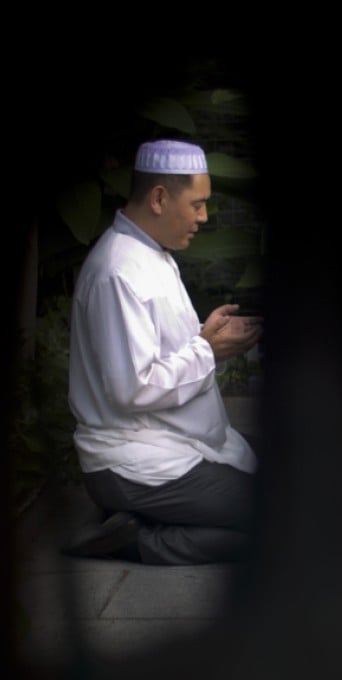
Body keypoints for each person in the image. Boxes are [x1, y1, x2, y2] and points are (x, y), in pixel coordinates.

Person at [62, 139, 263, 565]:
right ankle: (138, 539)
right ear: (158, 198)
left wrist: (211, 339)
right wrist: (207, 350)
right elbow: (133, 389)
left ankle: (140, 515)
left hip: (169, 443)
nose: (203, 217)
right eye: (197, 205)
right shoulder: (118, 270)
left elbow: (166, 353)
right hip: (132, 459)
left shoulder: (152, 254)